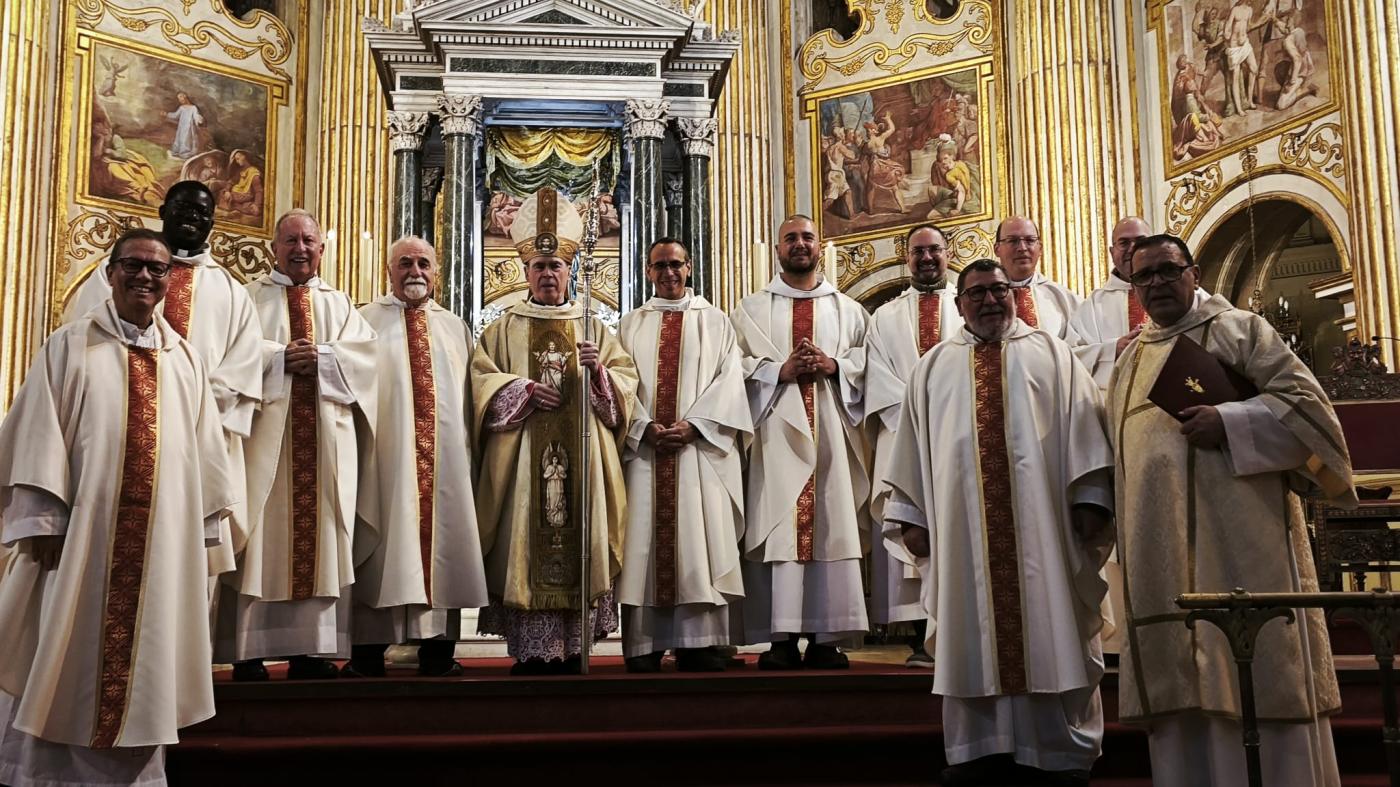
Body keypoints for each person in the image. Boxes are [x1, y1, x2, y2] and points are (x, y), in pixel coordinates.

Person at [1108, 234, 1352, 786]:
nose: (1156, 284)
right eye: (1143, 276)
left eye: (1168, 271)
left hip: (1244, 551)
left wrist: (1234, 422)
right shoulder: (1128, 361)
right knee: (1182, 704)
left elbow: (1314, 415)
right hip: (1160, 559)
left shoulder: (1241, 331)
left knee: (1258, 680)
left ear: (1194, 274)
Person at [0, 229, 234, 787]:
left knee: (149, 659)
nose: (146, 277)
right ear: (111, 273)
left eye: (158, 269)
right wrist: (42, 521)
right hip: (78, 542)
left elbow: (206, 454)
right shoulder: (69, 345)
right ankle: (49, 776)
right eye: (134, 265)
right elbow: (38, 435)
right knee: (65, 654)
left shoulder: (186, 360)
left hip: (160, 547)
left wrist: (202, 533)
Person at [883, 258, 1114, 787]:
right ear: (959, 303)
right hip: (961, 533)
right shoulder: (933, 367)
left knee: (1050, 624)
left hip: (1046, 530)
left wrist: (1092, 500)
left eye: (999, 290)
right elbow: (912, 455)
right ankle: (978, 749)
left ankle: (1056, 750)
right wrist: (912, 516)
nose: (990, 301)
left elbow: (1085, 432)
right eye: (977, 293)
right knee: (970, 635)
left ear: (1013, 294)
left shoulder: (1054, 355)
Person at [63, 180, 264, 597]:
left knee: (188, 571)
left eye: (202, 211)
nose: (192, 217)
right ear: (162, 209)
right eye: (183, 208)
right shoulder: (117, 275)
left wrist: (188, 410)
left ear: (213, 221)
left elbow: (243, 369)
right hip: (118, 442)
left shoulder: (231, 291)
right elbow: (82, 348)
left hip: (197, 445)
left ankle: (183, 660)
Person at [470, 188, 640, 675]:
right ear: (526, 272)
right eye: (540, 266)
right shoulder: (501, 329)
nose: (548, 274)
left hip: (583, 461)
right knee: (527, 543)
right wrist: (517, 390)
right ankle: (531, 651)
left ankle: (571, 648)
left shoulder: (595, 329)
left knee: (580, 536)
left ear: (569, 271)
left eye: (556, 266)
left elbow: (625, 390)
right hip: (523, 463)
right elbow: (479, 384)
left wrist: (599, 374)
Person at [216, 209, 378, 681]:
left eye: (309, 240)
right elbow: (232, 359)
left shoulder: (340, 304)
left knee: (323, 538)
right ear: (273, 248)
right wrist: (277, 357)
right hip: (266, 444)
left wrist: (325, 357)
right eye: (290, 240)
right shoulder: (248, 300)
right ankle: (249, 654)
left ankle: (312, 651)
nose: (300, 249)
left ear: (322, 249)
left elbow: (367, 362)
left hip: (325, 444)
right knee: (261, 542)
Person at [730, 214, 871, 669]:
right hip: (775, 439)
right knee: (778, 532)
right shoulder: (751, 310)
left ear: (820, 246)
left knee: (831, 528)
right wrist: (778, 372)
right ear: (777, 249)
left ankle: (828, 637)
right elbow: (732, 370)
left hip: (832, 436)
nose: (799, 244)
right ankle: (782, 637)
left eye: (807, 237)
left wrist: (835, 366)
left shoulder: (848, 311)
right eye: (790, 237)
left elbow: (870, 365)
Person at [346, 236, 488, 678]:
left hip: (444, 463)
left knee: (441, 545)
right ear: (389, 270)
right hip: (384, 462)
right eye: (404, 262)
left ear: (436, 271)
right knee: (384, 545)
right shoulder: (362, 322)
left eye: (424, 263)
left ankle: (437, 653)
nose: (415, 271)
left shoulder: (454, 327)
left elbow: (472, 400)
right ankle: (368, 654)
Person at [616, 238, 752, 673]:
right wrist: (644, 427)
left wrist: (694, 426)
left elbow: (729, 381)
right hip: (646, 454)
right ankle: (644, 645)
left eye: (676, 264)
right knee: (643, 546)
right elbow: (619, 384)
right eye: (660, 266)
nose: (669, 272)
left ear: (689, 268)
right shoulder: (630, 325)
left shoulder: (716, 322)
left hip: (699, 453)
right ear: (648, 271)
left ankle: (701, 643)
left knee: (700, 541)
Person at [864, 223, 962, 668]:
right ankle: (923, 638)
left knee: (961, 533)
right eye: (918, 252)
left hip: (961, 439)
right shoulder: (884, 317)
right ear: (906, 257)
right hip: (905, 440)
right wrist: (918, 421)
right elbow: (878, 379)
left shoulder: (968, 306)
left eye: (934, 251)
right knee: (913, 532)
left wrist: (949, 416)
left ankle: (961, 634)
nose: (926, 259)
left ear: (948, 253)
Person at [992, 216, 1082, 342]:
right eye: (1012, 241)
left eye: (1030, 240)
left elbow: (1078, 351)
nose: (1022, 248)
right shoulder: (980, 298)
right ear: (997, 249)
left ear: (1040, 248)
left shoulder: (1064, 299)